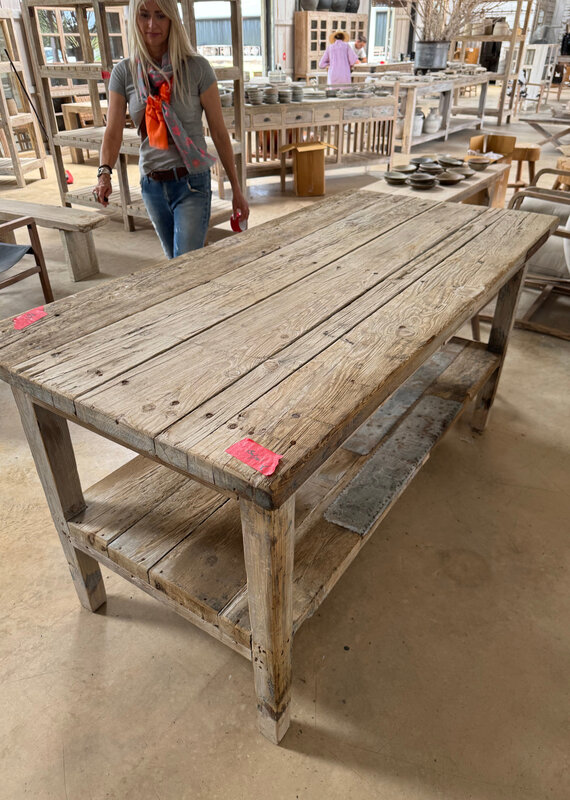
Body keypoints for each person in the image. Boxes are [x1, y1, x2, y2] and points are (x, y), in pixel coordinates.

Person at [93, 0, 249, 259]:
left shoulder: (197, 68)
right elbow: (113, 131)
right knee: (174, 262)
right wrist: (103, 175)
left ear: (172, 21)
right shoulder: (125, 72)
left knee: (184, 263)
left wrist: (237, 190)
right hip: (151, 185)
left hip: (191, 183)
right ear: (135, 19)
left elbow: (220, 133)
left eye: (160, 16)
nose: (151, 24)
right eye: (144, 15)